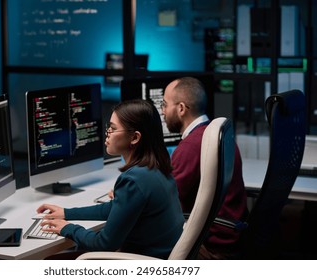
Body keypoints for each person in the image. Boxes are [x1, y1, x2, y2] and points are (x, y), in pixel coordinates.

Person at [36, 99, 185, 259]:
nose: (107, 133)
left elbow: (104, 243)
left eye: (113, 129)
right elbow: (116, 208)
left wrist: (68, 228)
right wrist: (66, 213)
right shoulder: (157, 168)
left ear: (134, 137)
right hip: (160, 260)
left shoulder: (134, 179)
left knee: (49, 261)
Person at [161, 76, 248, 259]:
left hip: (213, 247)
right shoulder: (218, 134)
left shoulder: (190, 147)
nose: (162, 111)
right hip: (232, 238)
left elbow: (167, 204)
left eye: (164, 104)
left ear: (181, 108)